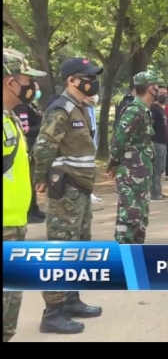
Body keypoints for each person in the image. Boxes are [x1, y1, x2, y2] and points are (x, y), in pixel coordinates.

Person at [33, 57, 104, 334]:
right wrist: (40, 179)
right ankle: (52, 313)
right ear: (71, 80)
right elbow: (43, 147)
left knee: (80, 247)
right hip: (66, 188)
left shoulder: (81, 107)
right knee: (60, 251)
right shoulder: (61, 109)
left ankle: (71, 299)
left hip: (82, 188)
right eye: (87, 76)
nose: (92, 81)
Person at [2, 48, 46, 342]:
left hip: (12, 224)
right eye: (26, 78)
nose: (32, 86)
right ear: (9, 82)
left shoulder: (10, 117)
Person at [107, 69, 159, 244]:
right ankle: (123, 256)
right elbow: (119, 139)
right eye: (156, 86)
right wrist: (113, 163)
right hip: (131, 173)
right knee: (129, 215)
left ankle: (135, 251)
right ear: (151, 88)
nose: (159, 89)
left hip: (139, 172)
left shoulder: (144, 110)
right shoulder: (134, 110)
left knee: (139, 215)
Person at [13, 80, 46, 222]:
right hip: (28, 147)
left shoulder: (31, 106)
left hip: (34, 147)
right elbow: (25, 130)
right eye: (35, 88)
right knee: (29, 180)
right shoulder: (21, 108)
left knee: (32, 181)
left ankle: (34, 208)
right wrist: (44, 128)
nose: (37, 91)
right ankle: (29, 210)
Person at [150, 85, 168, 202]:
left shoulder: (161, 109)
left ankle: (159, 191)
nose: (164, 95)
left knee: (161, 168)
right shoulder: (153, 109)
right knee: (156, 168)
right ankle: (154, 193)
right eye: (161, 93)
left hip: (163, 143)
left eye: (165, 93)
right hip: (156, 142)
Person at [84, 94, 103, 205]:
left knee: (91, 171)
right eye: (90, 95)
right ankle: (88, 193)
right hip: (86, 146)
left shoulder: (91, 108)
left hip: (92, 144)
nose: (93, 97)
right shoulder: (82, 109)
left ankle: (90, 193)